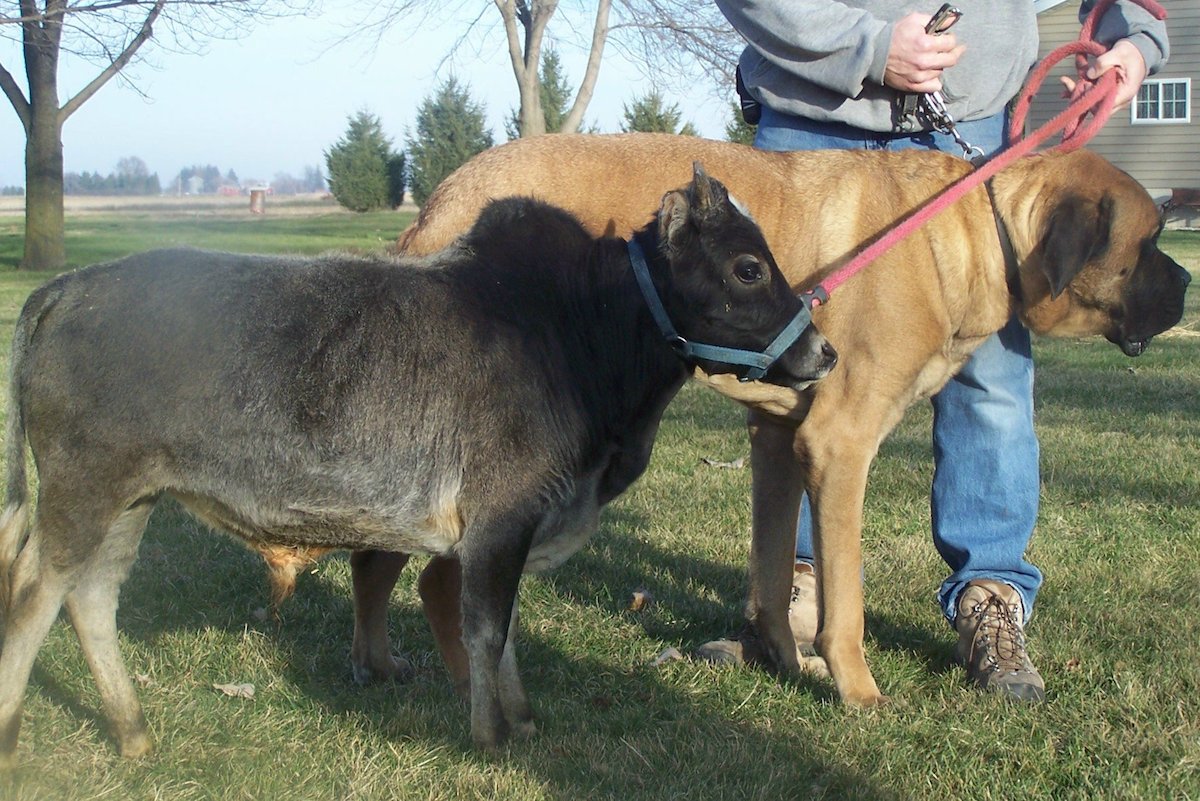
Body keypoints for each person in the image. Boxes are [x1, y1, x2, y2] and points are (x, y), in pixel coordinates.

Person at [702, 0, 1170, 702]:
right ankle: (794, 593)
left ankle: (991, 594)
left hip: (964, 119)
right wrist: (862, 47)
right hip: (813, 109)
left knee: (992, 383)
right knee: (783, 390)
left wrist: (1134, 37)